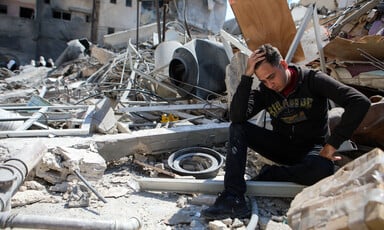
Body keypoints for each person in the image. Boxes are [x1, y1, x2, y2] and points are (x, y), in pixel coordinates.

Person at [201, 44, 370, 220]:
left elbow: (359, 102)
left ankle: (272, 174)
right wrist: (247, 76)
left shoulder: (312, 80)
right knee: (238, 129)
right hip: (281, 146)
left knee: (322, 170)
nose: (270, 84)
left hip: (312, 149)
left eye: (271, 77)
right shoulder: (266, 91)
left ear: (283, 64)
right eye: (264, 80)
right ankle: (233, 198)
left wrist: (332, 145)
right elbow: (236, 117)